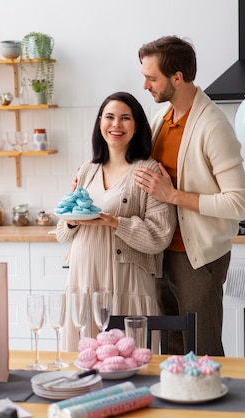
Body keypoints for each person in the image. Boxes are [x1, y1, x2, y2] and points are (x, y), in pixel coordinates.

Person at [133, 36, 245, 356]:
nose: (145, 85)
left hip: (197, 259)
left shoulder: (213, 126)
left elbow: (239, 203)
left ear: (177, 77)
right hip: (161, 252)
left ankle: (212, 407)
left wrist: (173, 195)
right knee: (169, 350)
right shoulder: (161, 120)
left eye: (152, 77)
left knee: (202, 351)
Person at [56, 91, 177, 352]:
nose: (116, 125)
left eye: (125, 118)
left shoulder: (149, 170)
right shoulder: (87, 169)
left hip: (126, 282)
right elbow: (62, 232)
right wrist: (73, 222)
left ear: (137, 126)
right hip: (83, 277)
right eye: (109, 117)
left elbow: (159, 235)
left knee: (128, 358)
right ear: (100, 122)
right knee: (82, 363)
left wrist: (115, 223)